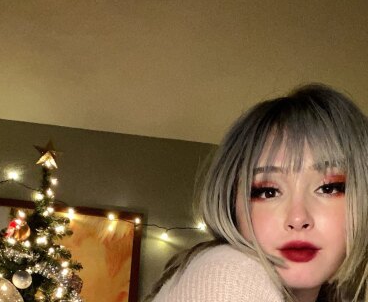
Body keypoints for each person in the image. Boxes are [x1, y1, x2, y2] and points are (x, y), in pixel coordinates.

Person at [146, 84, 368, 302]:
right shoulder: (228, 274)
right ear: (231, 202)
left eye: (328, 188)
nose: (298, 218)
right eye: (268, 191)